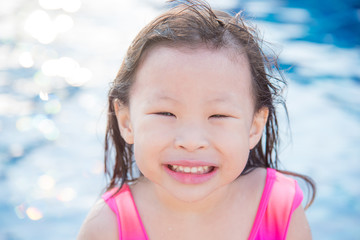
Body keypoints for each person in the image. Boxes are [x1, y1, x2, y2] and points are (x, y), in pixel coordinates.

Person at [77, 0, 316, 239]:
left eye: (218, 115)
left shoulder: (280, 208)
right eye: (166, 113)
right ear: (127, 122)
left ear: (254, 127)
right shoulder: (105, 227)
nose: (191, 142)